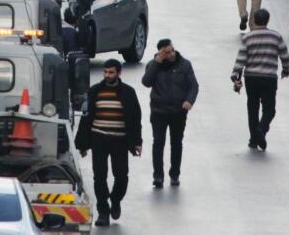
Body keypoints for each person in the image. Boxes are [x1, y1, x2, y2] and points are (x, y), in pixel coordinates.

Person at [75, 59, 142, 227]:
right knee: (99, 176)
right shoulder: (95, 91)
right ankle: (103, 211)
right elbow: (86, 119)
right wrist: (83, 144)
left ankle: (115, 199)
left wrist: (137, 142)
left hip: (119, 140)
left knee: (121, 176)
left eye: (111, 72)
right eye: (105, 72)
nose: (107, 75)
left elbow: (135, 119)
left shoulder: (128, 92)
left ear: (119, 73)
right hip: (99, 139)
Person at [141, 39, 199, 188]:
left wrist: (189, 101)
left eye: (172, 50)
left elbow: (194, 86)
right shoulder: (153, 65)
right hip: (159, 112)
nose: (171, 54)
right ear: (161, 53)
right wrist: (156, 63)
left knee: (176, 143)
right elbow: (146, 82)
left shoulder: (184, 65)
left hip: (178, 112)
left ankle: (175, 174)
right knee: (158, 144)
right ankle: (158, 176)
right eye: (167, 52)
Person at [230, 8, 289, 151]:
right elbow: (284, 55)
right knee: (269, 109)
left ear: (254, 20)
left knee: (252, 108)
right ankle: (261, 132)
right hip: (269, 78)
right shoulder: (276, 37)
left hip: (251, 78)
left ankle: (254, 138)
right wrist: (285, 69)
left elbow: (241, 58)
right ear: (267, 20)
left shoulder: (248, 38)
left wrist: (235, 75)